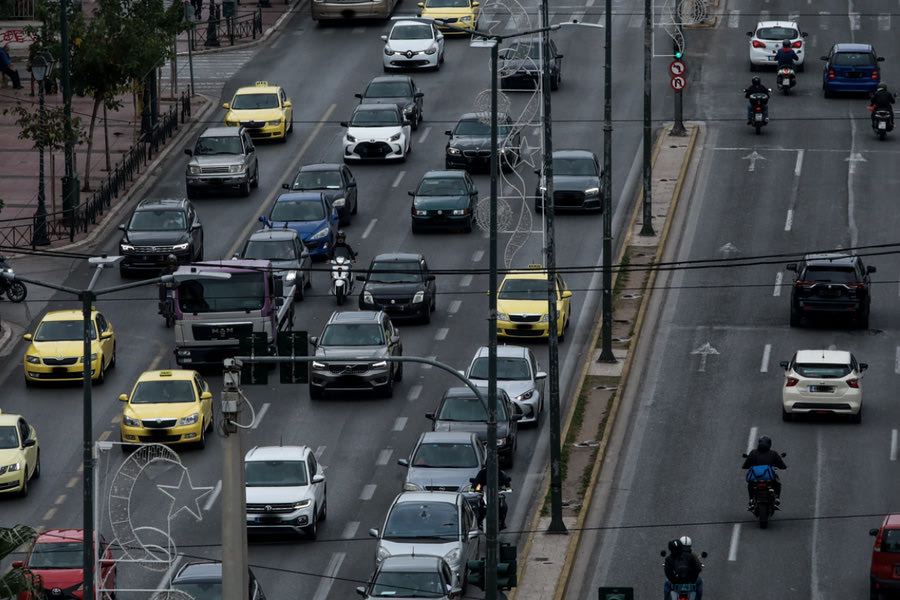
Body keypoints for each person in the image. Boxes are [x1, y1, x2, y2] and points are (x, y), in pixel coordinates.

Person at [742, 435, 787, 504]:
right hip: (769, 476)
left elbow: (745, 466)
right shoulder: (773, 453)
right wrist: (783, 467)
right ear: (770, 444)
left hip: (755, 477)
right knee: (777, 483)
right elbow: (782, 466)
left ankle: (751, 499)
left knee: (750, 483)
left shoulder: (753, 452)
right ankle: (777, 498)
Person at [471, 465, 512, 530]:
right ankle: (479, 521)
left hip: (497, 493)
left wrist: (508, 488)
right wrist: (472, 490)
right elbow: (476, 481)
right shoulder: (482, 473)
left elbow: (506, 481)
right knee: (477, 506)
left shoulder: (499, 472)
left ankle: (502, 521)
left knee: (504, 506)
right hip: (485, 494)